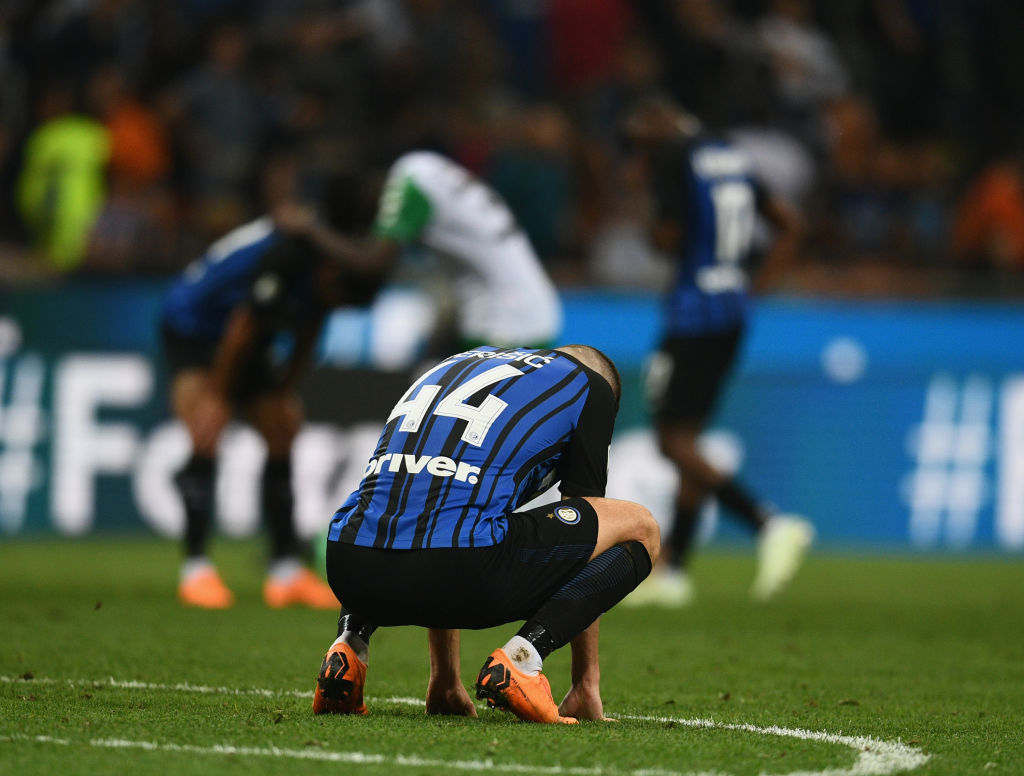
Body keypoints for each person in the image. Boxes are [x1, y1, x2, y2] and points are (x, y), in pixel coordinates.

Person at [312, 344, 659, 723]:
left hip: (348, 568)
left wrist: (445, 678)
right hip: (460, 572)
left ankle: (349, 648)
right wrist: (585, 682)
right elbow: (591, 523)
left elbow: (434, 501)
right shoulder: (591, 385)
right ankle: (523, 660)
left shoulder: (459, 362)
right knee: (640, 527)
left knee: (421, 510)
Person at [622, 96, 813, 607]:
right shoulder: (729, 153)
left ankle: (769, 523)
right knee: (689, 439)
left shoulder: (670, 158)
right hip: (730, 311)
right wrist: (752, 291)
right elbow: (790, 224)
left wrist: (640, 193)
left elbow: (665, 239)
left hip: (692, 314)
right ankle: (673, 572)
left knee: (671, 442)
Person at [160, 200, 386, 609]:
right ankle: (196, 570)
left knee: (283, 427)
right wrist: (216, 395)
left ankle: (285, 571)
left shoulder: (332, 266)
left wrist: (285, 388)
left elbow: (311, 324)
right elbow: (243, 324)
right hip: (195, 324)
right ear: (329, 273)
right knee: (206, 428)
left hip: (246, 330)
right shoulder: (288, 258)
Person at [326, 149, 563, 350]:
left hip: (504, 321)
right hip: (527, 308)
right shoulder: (422, 164)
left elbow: (373, 260)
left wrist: (312, 228)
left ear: (363, 199)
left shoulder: (409, 185)